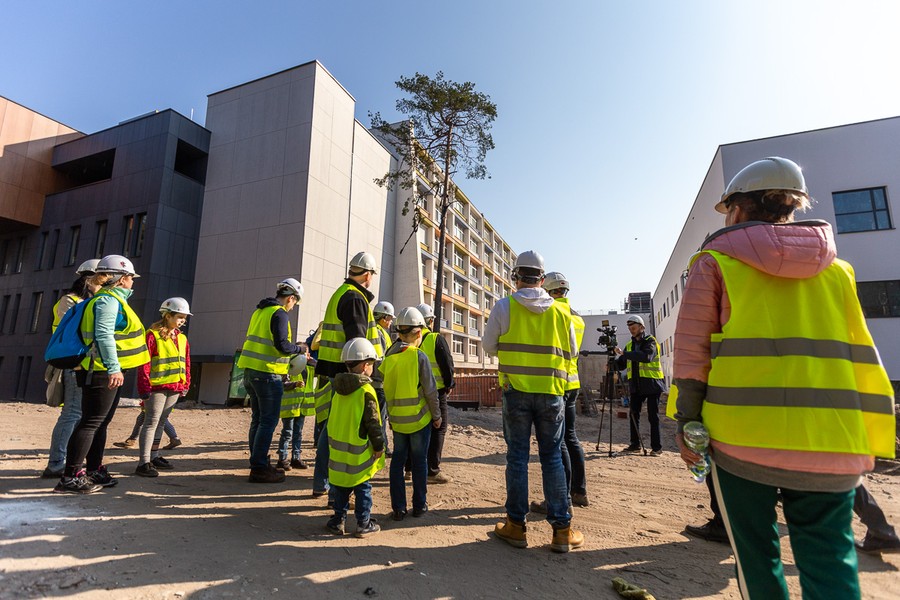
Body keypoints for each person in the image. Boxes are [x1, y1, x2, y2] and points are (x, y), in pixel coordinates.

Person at [673, 157, 896, 598]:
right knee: (830, 560)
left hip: (742, 439)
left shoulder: (715, 262)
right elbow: (859, 352)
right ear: (792, 207)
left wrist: (686, 423)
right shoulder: (839, 271)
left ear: (737, 209)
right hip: (831, 438)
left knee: (757, 558)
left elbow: (691, 356)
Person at [483, 250, 583, 553]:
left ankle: (516, 526)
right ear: (542, 279)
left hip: (516, 392)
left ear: (516, 277)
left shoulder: (504, 307)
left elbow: (489, 346)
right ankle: (562, 531)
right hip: (552, 393)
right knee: (552, 457)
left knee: (517, 457)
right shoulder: (562, 313)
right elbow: (573, 354)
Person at [54, 255, 150, 494]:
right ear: (120, 279)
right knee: (91, 422)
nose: (132, 282)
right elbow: (104, 335)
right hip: (99, 370)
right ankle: (71, 477)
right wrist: (113, 367)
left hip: (102, 370)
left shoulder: (112, 299)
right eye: (130, 277)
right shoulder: (107, 301)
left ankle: (94, 469)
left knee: (100, 422)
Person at [313, 252, 384, 498]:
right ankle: (337, 489)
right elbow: (358, 342)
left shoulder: (341, 293)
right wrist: (363, 373)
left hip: (332, 370)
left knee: (331, 429)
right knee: (341, 433)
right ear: (367, 275)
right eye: (372, 275)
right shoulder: (355, 298)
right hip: (345, 375)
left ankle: (323, 483)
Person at [236, 278, 305, 484]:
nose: (293, 307)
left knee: (258, 420)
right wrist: (300, 349)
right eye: (295, 303)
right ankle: (259, 468)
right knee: (268, 421)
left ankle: (257, 462)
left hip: (250, 372)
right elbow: (282, 345)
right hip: (268, 374)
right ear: (291, 298)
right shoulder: (279, 313)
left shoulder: (260, 311)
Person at [531, 272, 589, 511]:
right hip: (573, 383)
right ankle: (580, 491)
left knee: (558, 443)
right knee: (571, 438)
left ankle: (560, 498)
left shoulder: (553, 313)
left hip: (557, 384)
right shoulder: (577, 318)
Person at [380, 307, 441, 521]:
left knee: (397, 462)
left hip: (397, 421)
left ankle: (398, 508)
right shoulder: (419, 356)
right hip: (418, 420)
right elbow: (430, 390)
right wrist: (437, 416)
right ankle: (419, 505)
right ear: (418, 333)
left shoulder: (389, 355)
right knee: (419, 462)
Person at [41, 259, 100, 479]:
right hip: (72, 364)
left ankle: (69, 460)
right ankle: (56, 463)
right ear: (88, 278)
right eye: (102, 278)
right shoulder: (69, 301)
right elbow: (76, 330)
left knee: (81, 415)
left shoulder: (92, 301)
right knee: (72, 414)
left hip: (87, 365)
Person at [325, 338, 385, 537]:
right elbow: (373, 423)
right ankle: (363, 523)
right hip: (359, 453)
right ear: (364, 365)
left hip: (339, 452)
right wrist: (379, 446)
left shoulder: (338, 389)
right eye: (372, 364)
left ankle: (337, 521)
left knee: (341, 488)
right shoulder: (366, 391)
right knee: (363, 488)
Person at [134, 298, 192, 477]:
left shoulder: (181, 338)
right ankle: (143, 462)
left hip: (174, 386)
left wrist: (186, 383)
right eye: (180, 316)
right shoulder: (152, 335)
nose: (183, 320)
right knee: (151, 421)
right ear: (168, 315)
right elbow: (144, 362)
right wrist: (144, 387)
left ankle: (154, 456)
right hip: (156, 387)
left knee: (160, 422)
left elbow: (186, 362)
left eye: (184, 317)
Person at [415, 303, 456, 484]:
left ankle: (410, 468)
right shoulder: (435, 339)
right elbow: (447, 364)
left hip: (414, 392)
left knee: (415, 429)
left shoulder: (408, 340)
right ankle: (432, 471)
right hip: (437, 392)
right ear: (430, 321)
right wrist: (449, 384)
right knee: (439, 429)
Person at [614, 315, 665, 455]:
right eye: (630, 328)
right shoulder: (629, 346)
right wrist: (612, 363)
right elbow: (622, 364)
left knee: (652, 416)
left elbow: (646, 357)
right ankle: (635, 444)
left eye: (634, 328)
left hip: (652, 384)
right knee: (633, 414)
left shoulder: (651, 341)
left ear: (642, 327)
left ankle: (657, 448)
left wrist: (625, 353)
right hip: (636, 386)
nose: (631, 330)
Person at [277, 352, 310, 471]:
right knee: (287, 433)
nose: (307, 356)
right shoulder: (289, 366)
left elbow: (318, 366)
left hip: (301, 407)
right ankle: (282, 459)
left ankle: (296, 457)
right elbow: (282, 383)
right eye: (305, 353)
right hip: (290, 408)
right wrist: (294, 384)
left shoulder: (307, 369)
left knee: (298, 433)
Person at [373, 301, 395, 457]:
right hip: (379, 382)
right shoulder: (379, 333)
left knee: (378, 416)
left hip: (375, 380)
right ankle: (382, 446)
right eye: (389, 318)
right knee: (380, 417)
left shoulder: (375, 331)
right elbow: (381, 359)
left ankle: (382, 445)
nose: (391, 322)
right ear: (383, 317)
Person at [114, 411, 181, 450]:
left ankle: (174, 438)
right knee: (157, 417)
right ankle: (174, 438)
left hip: (156, 392)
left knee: (159, 418)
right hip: (165, 390)